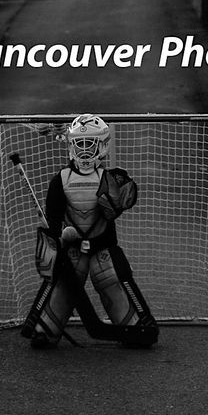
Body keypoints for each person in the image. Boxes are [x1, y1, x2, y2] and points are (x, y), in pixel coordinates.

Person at [20, 114, 158, 349]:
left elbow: (124, 200)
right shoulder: (61, 180)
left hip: (102, 247)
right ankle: (46, 330)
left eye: (89, 143)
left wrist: (121, 192)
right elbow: (53, 220)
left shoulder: (111, 179)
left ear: (102, 145)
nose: (84, 149)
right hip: (72, 249)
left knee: (111, 279)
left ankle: (135, 329)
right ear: (71, 145)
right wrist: (55, 239)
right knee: (62, 287)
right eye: (79, 143)